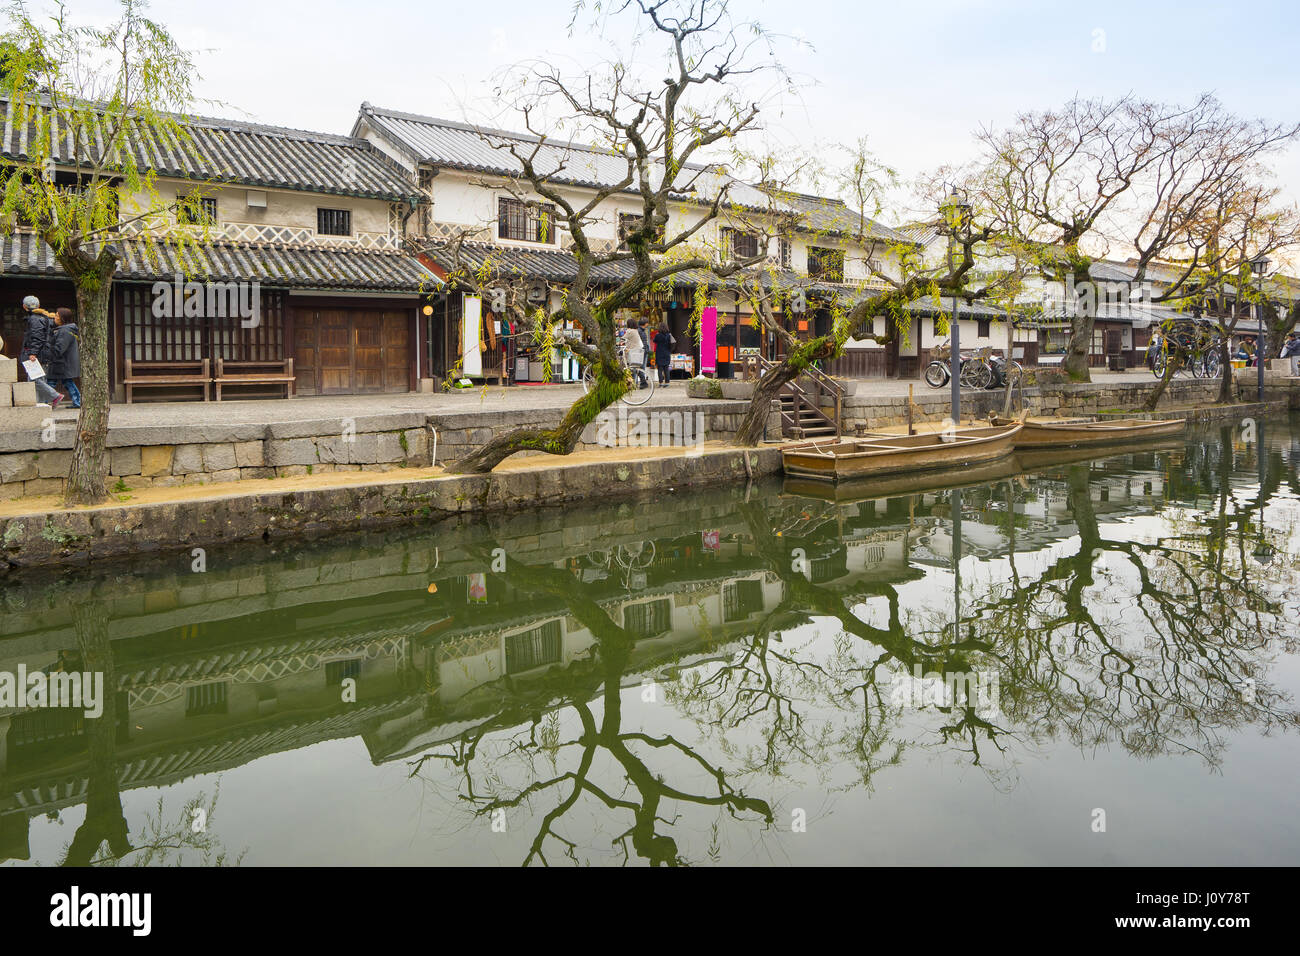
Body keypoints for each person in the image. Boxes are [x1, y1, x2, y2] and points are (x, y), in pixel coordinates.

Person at [19, 295, 61, 408]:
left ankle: (55, 396)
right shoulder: (43, 317)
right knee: (38, 379)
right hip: (44, 352)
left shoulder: (35, 319)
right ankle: (41, 407)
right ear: (38, 306)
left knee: (34, 379)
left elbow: (37, 337)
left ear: (24, 306)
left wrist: (33, 353)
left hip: (37, 354)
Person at [48, 308, 81, 408]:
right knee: (67, 382)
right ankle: (77, 402)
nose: (55, 317)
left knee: (51, 381)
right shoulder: (68, 329)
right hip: (66, 361)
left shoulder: (64, 331)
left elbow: (59, 348)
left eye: (57, 315)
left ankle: (45, 402)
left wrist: (48, 350)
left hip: (62, 362)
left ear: (62, 318)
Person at [652, 321, 674, 386]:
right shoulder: (669, 335)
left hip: (659, 353)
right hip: (667, 353)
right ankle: (667, 382)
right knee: (666, 369)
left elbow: (654, 341)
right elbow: (673, 343)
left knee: (660, 369)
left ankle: (661, 382)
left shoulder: (657, 335)